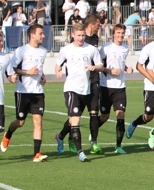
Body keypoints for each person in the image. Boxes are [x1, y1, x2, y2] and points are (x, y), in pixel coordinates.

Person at [54, 23, 104, 162]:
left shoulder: (91, 49)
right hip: (71, 89)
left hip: (86, 89)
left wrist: (95, 67)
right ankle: (81, 152)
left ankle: (61, 136)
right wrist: (58, 71)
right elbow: (58, 64)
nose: (81, 38)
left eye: (83, 35)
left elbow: (100, 65)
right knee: (76, 120)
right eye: (78, 35)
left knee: (72, 120)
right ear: (73, 35)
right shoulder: (66, 50)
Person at [2, 25, 46, 161]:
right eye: (41, 33)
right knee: (20, 122)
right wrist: (27, 72)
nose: (43, 36)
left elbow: (39, 69)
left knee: (38, 122)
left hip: (38, 92)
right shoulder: (22, 50)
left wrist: (42, 76)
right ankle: (8, 134)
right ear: (32, 35)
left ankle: (36, 153)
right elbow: (14, 69)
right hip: (23, 91)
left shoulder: (44, 51)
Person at [126, 24, 154, 141]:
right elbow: (139, 66)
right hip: (151, 87)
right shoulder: (149, 48)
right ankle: (135, 122)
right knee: (148, 116)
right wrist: (151, 79)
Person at [95, 24, 133, 154]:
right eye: (118, 33)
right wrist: (110, 71)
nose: (121, 35)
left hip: (120, 87)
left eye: (123, 33)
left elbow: (122, 63)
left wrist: (127, 68)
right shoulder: (106, 48)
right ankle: (93, 131)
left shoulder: (125, 48)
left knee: (120, 115)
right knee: (105, 116)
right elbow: (99, 65)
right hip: (106, 86)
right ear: (113, 34)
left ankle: (118, 146)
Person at [0, 33, 17, 133]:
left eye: (2, 41)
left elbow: (10, 76)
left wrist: (14, 78)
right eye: (0, 41)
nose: (2, 43)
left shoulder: (5, 57)